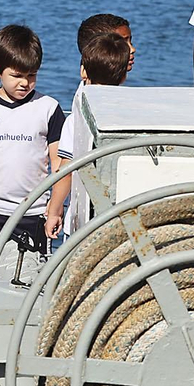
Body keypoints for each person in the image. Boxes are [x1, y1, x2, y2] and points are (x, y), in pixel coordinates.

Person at [0, 25, 69, 255]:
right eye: (17, 76)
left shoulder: (49, 108)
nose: (25, 83)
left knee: (31, 280)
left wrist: (55, 210)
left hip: (33, 212)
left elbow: (59, 165)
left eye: (32, 75)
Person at [61, 31, 130, 238]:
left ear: (83, 71)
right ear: (124, 75)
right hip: (118, 216)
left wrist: (55, 208)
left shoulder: (76, 118)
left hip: (80, 218)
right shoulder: (129, 113)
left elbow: (65, 167)